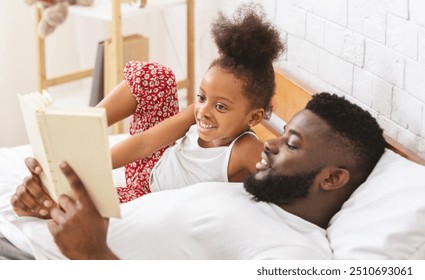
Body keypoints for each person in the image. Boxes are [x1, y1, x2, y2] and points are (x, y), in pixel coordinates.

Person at [2, 92, 387, 259]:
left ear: (333, 179)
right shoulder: (252, 195)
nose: (270, 145)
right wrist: (52, 210)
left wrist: (91, 255)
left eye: (292, 144)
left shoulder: (294, 252)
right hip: (27, 239)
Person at [12, 5, 285, 215]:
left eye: (221, 106)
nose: (203, 111)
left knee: (75, 204)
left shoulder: (246, 149)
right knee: (153, 75)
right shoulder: (198, 112)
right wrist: (91, 164)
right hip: (152, 164)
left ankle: (46, 200)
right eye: (202, 96)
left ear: (255, 117)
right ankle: (83, 128)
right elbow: (145, 142)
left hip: (150, 198)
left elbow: (288, 186)